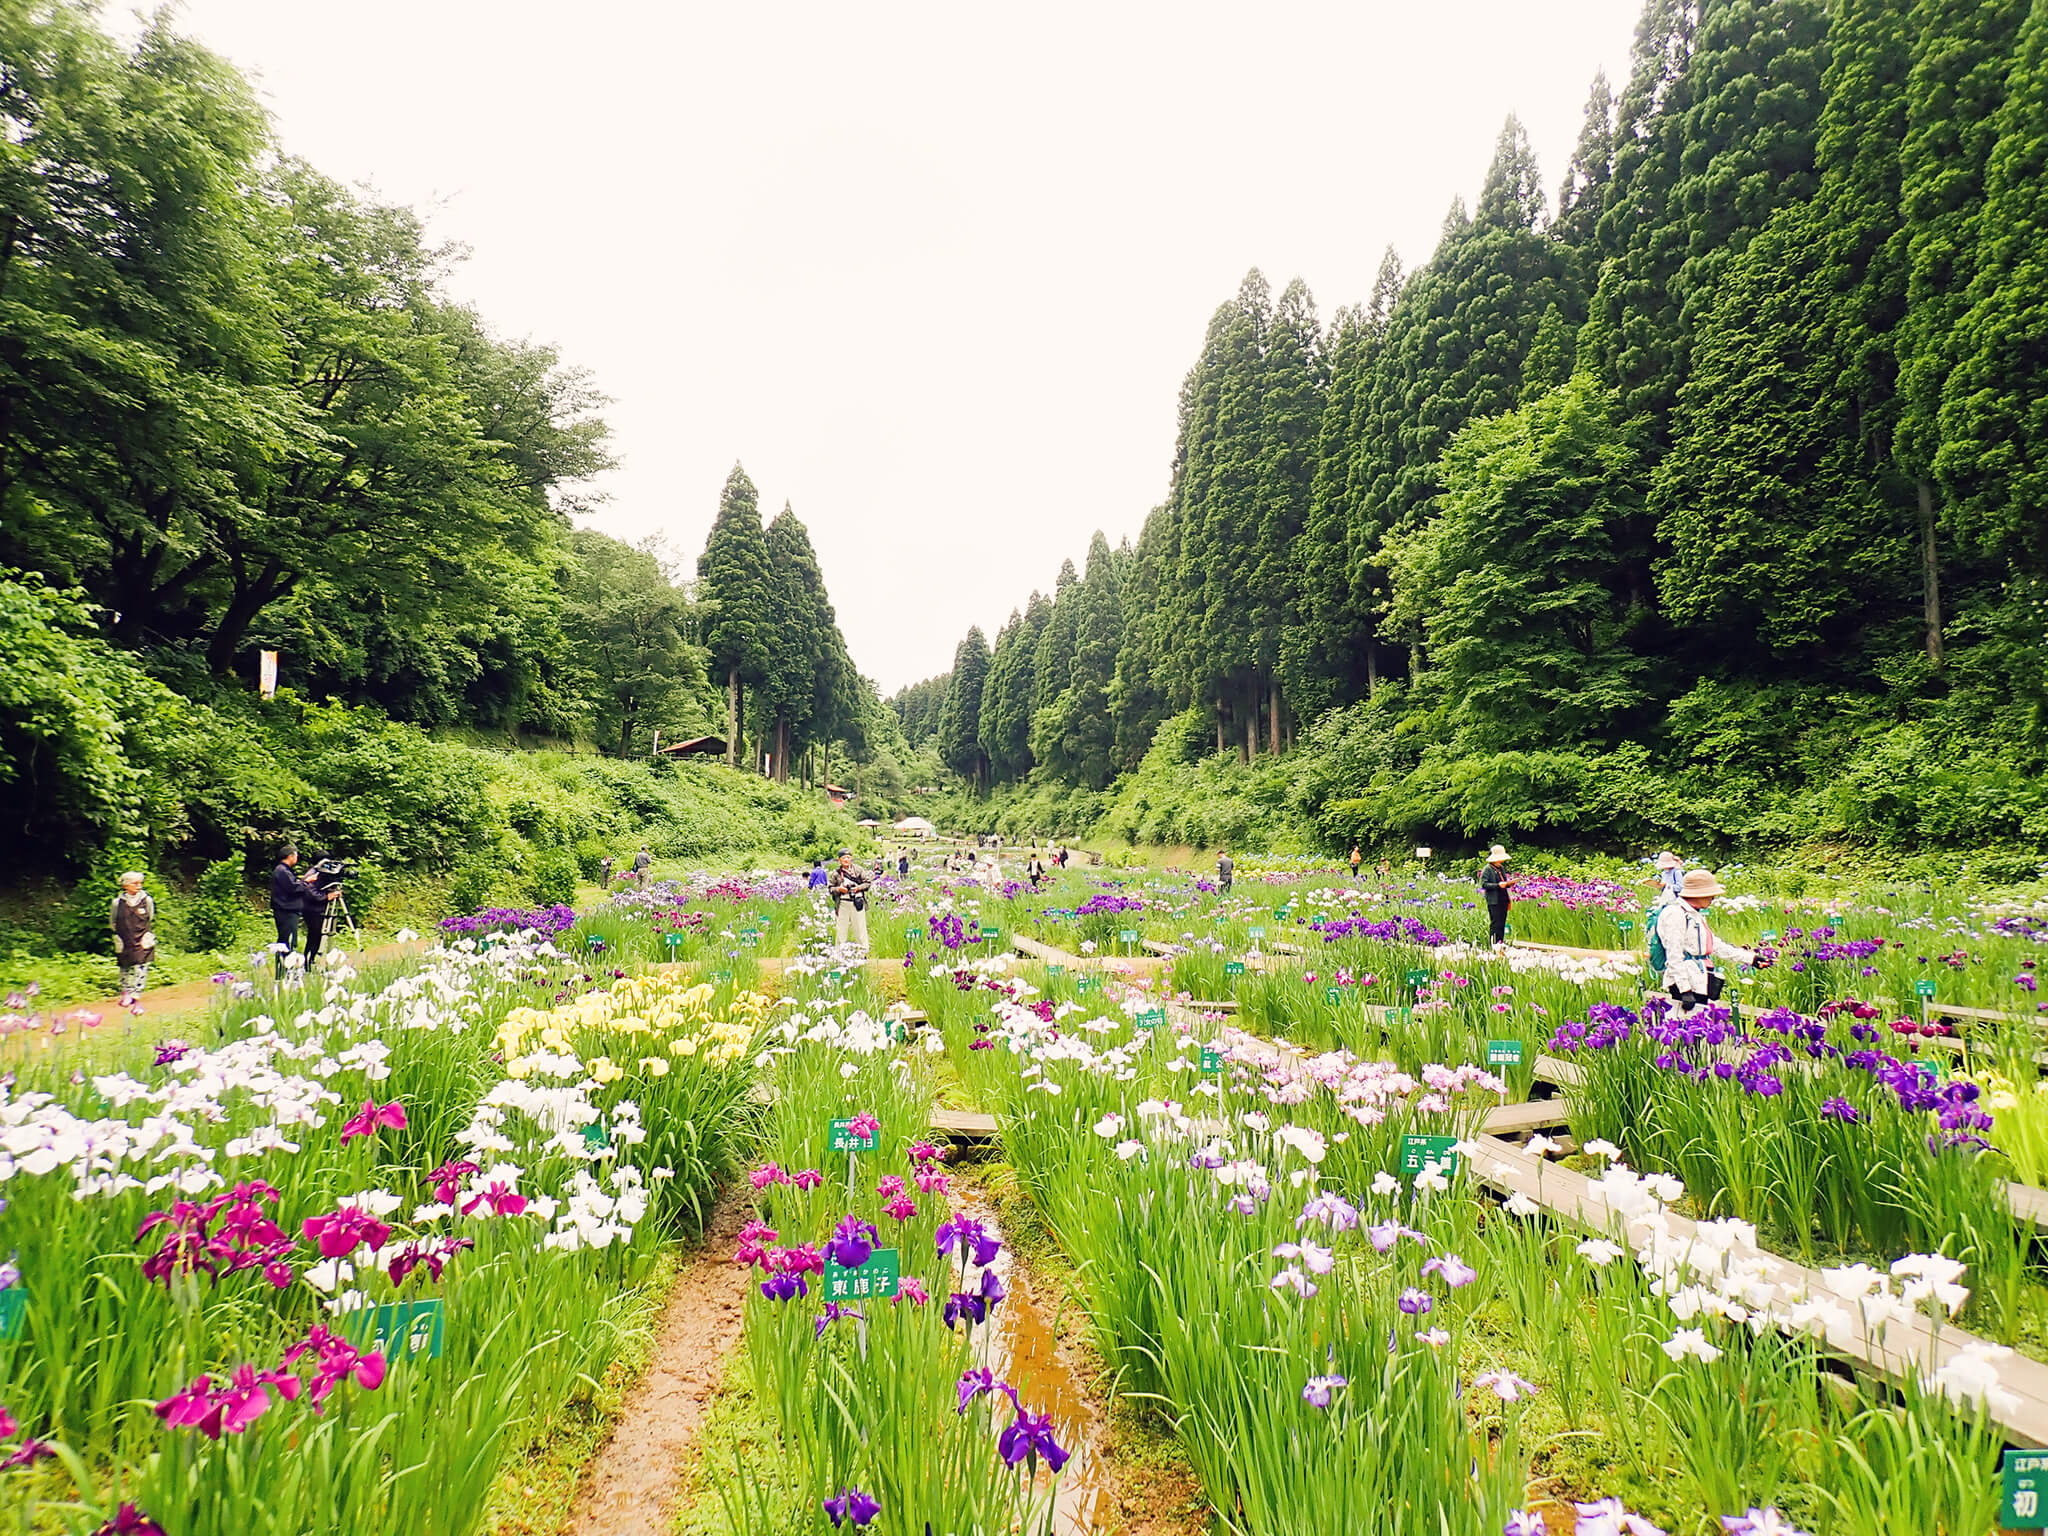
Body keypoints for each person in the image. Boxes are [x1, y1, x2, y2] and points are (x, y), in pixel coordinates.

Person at [1655, 869, 1756, 1015]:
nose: (1713, 898)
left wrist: (1751, 959)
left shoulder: (1694, 914)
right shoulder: (1676, 914)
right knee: (1686, 1028)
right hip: (1685, 981)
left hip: (1698, 978)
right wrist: (1685, 990)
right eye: (1710, 894)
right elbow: (1674, 955)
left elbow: (1714, 945)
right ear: (1697, 894)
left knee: (1699, 1026)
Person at [110, 871, 157, 997]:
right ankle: (126, 990)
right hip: (124, 937)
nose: (139, 886)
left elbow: (150, 917)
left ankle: (137, 990)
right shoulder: (117, 903)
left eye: (140, 883)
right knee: (124, 963)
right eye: (135, 883)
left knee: (142, 962)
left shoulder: (147, 900)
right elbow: (113, 921)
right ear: (125, 885)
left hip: (142, 935)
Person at [270, 845, 306, 980]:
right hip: (286, 910)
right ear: (290, 856)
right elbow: (293, 888)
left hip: (287, 910)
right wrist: (306, 883)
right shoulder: (282, 871)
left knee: (287, 941)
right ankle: (284, 972)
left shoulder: (284, 871)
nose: (297, 858)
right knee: (287, 942)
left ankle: (286, 971)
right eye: (296, 855)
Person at [827, 850, 871, 949]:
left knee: (860, 929)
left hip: (857, 902)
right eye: (843, 858)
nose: (846, 860)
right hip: (843, 903)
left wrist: (858, 888)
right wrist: (839, 889)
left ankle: (863, 951)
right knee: (841, 929)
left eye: (848, 857)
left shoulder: (858, 870)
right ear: (839, 860)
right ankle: (839, 952)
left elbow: (867, 883)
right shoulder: (836, 873)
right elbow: (830, 888)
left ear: (851, 858)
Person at [1479, 845, 1513, 948]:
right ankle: (1493, 945)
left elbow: (1504, 881)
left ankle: (1500, 944)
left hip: (1503, 898)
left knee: (1502, 923)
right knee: (1495, 923)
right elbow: (1484, 884)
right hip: (1494, 900)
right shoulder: (1487, 869)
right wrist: (1498, 885)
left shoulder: (1501, 868)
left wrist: (1508, 884)